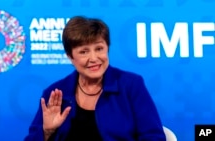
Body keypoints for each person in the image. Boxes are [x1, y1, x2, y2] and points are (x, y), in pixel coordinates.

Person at [24, 15, 166, 141]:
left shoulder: (131, 85)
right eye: (84, 52)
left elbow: (154, 136)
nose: (94, 58)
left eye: (99, 49)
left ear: (107, 49)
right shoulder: (56, 94)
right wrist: (47, 132)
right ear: (70, 57)